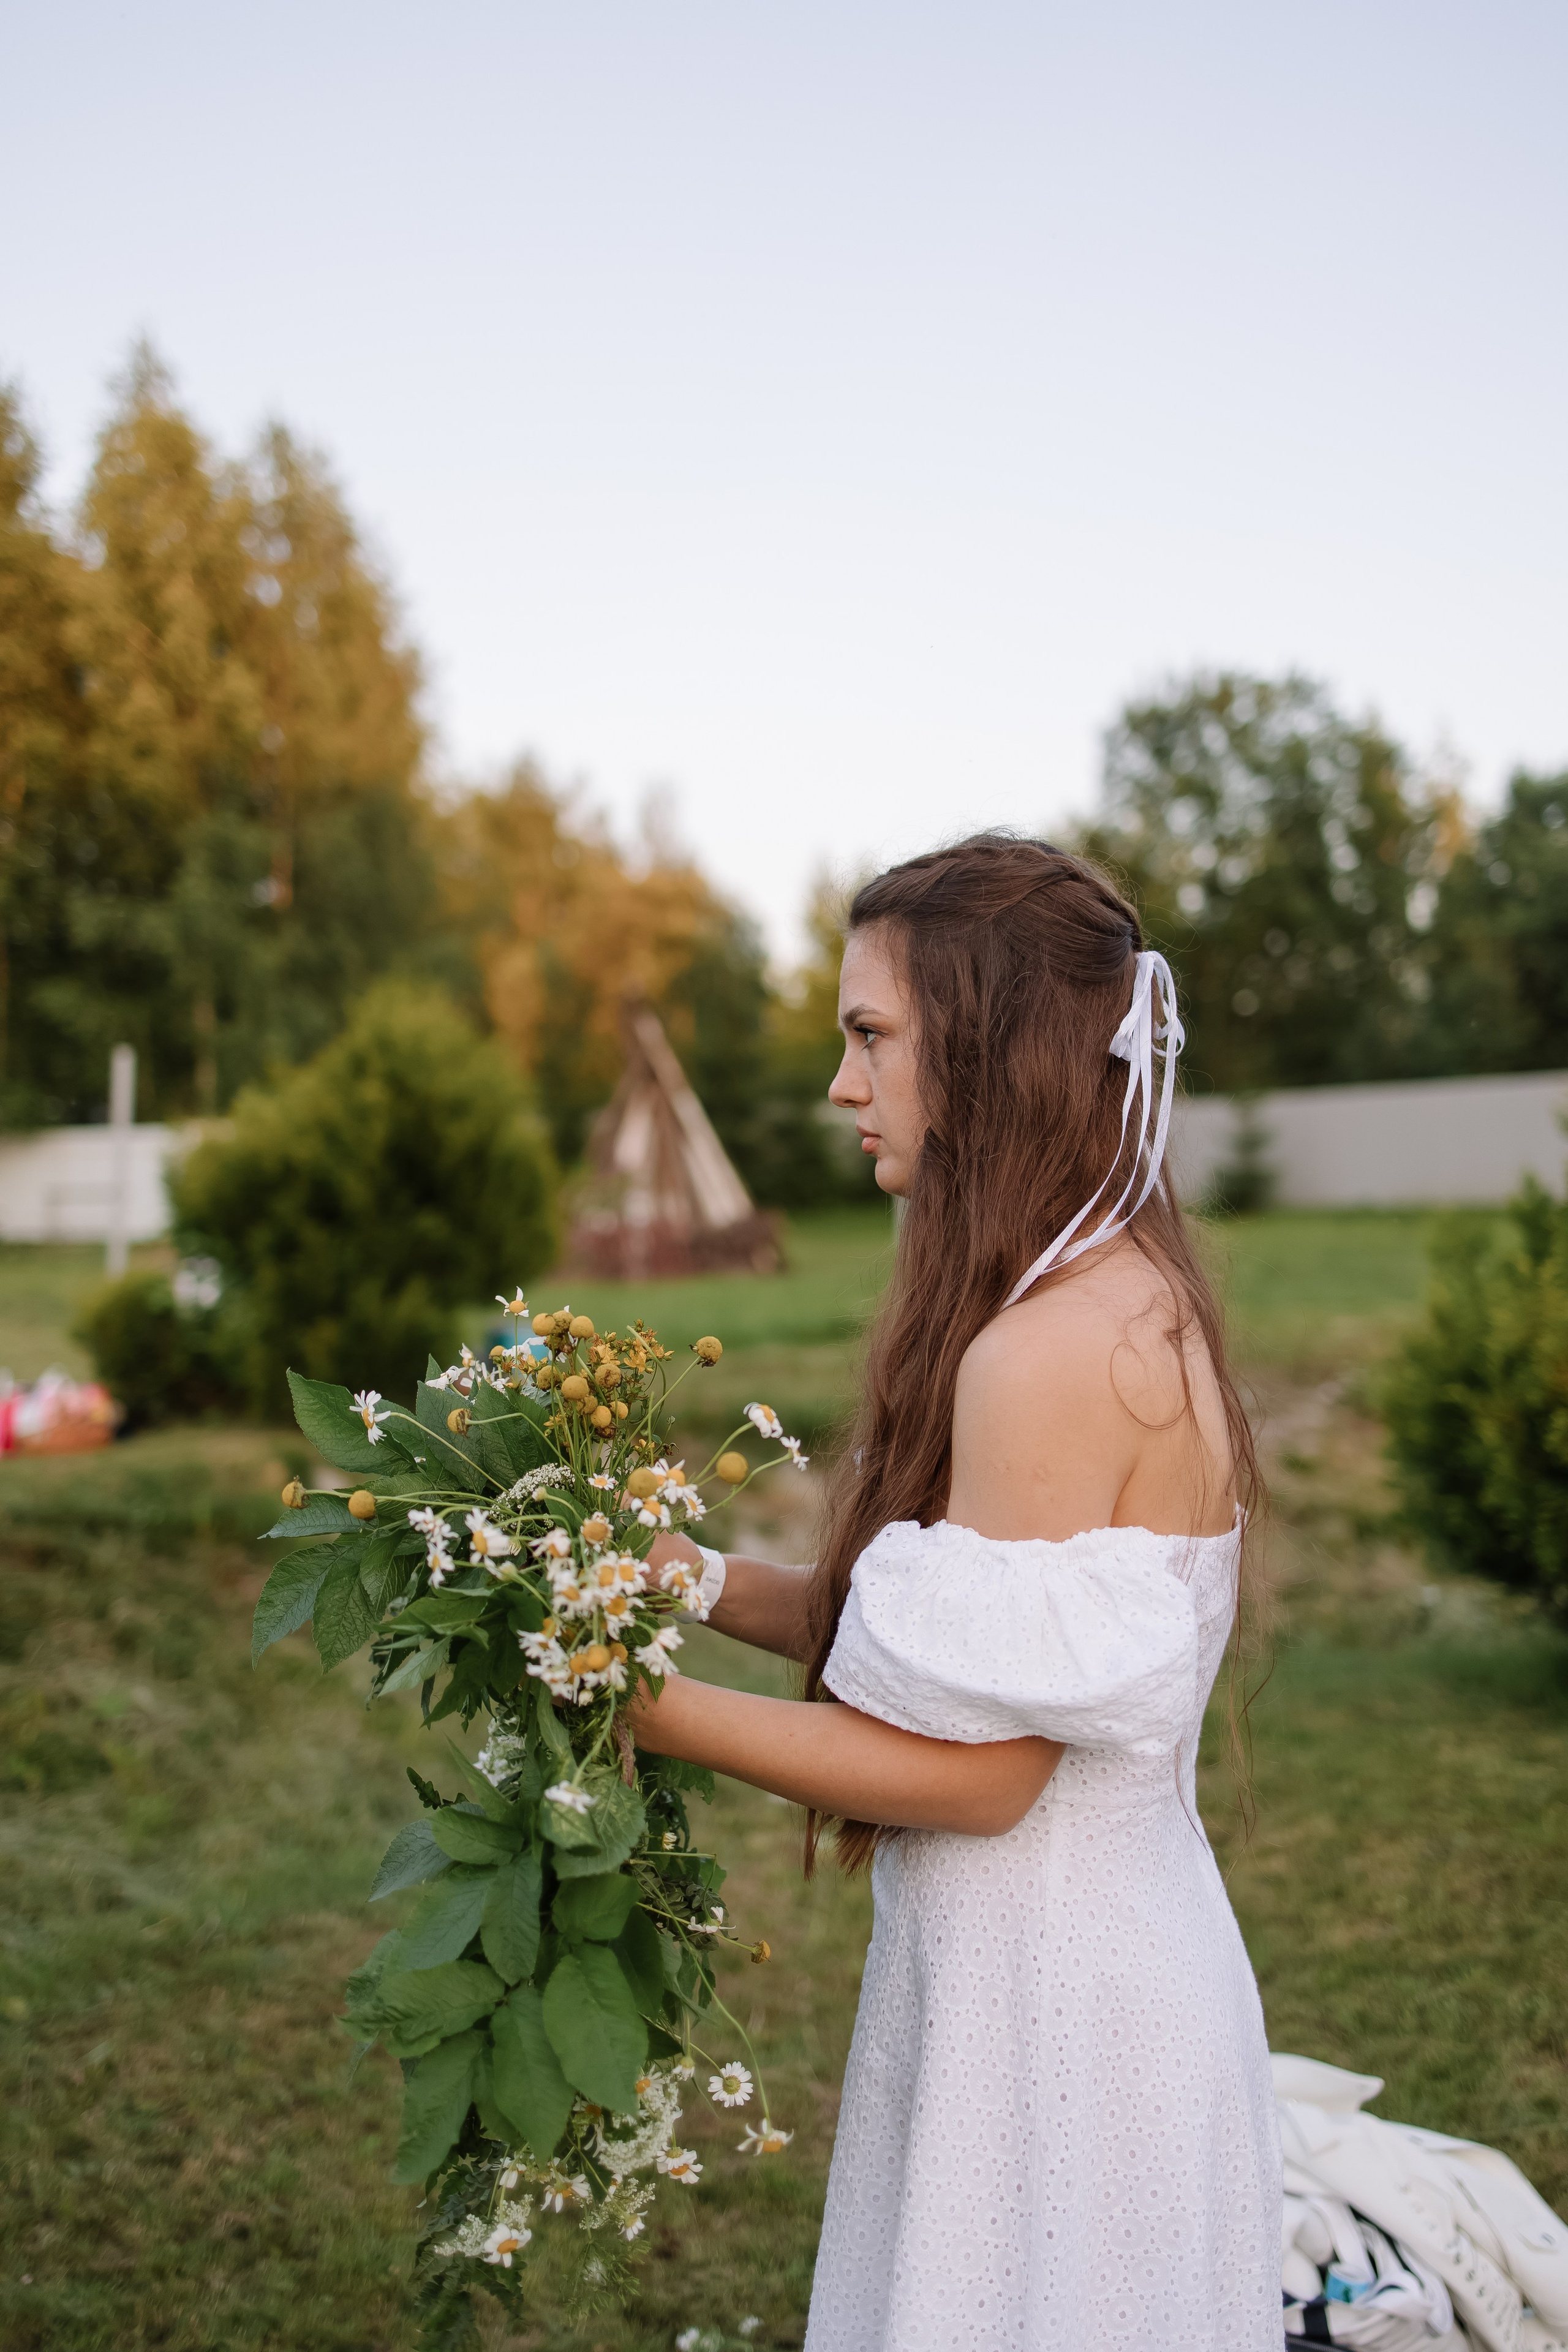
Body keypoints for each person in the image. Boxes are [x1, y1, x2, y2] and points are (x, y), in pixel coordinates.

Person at [628, 833, 1283, 2351]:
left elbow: (981, 1774)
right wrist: (696, 1579)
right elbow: (953, 1651)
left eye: (871, 1037)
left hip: (1063, 2032)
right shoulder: (1097, 1291)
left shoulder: (1047, 1356)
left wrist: (650, 1712)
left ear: (990, 1047)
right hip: (1069, 1988)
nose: (841, 1086)